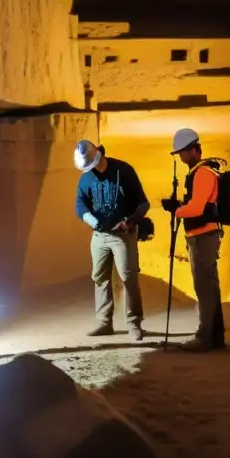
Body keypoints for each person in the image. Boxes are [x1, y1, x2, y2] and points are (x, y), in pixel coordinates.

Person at [74, 140, 149, 341]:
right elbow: (80, 205)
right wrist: (89, 218)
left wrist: (130, 222)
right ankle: (104, 322)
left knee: (128, 277)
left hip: (122, 235)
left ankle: (134, 323)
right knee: (100, 278)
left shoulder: (123, 171)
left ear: (99, 156)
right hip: (99, 235)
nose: (91, 171)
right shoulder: (86, 178)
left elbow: (143, 204)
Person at [160, 128, 226, 352]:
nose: (180, 156)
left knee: (205, 288)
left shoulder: (203, 173)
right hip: (202, 234)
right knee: (210, 287)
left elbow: (197, 208)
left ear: (192, 150)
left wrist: (177, 210)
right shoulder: (200, 172)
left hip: (203, 236)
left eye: (181, 152)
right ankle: (215, 336)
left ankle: (205, 338)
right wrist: (180, 206)